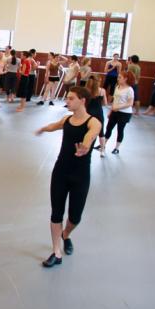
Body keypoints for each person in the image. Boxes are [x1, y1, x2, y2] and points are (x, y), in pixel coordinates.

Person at [35, 86, 102, 268]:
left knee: (75, 217)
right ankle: (56, 252)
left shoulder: (93, 122)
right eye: (67, 98)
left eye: (71, 98)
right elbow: (54, 126)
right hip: (60, 172)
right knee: (56, 213)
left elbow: (91, 135)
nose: (67, 101)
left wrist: (85, 146)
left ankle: (66, 234)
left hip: (80, 175)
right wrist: (43, 128)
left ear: (82, 101)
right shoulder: (66, 119)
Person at [104, 71, 135, 155]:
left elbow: (130, 103)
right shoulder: (117, 87)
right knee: (109, 127)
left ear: (125, 79)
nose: (118, 79)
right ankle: (103, 144)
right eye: (118, 77)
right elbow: (115, 100)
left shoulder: (130, 90)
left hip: (124, 113)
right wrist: (111, 111)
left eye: (120, 77)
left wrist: (118, 107)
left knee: (120, 130)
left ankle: (117, 148)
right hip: (115, 111)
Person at [85, 76, 107, 155]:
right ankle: (103, 151)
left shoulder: (86, 91)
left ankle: (86, 147)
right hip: (99, 113)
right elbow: (105, 103)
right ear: (98, 82)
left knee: (87, 131)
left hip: (88, 113)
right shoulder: (102, 91)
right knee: (101, 133)